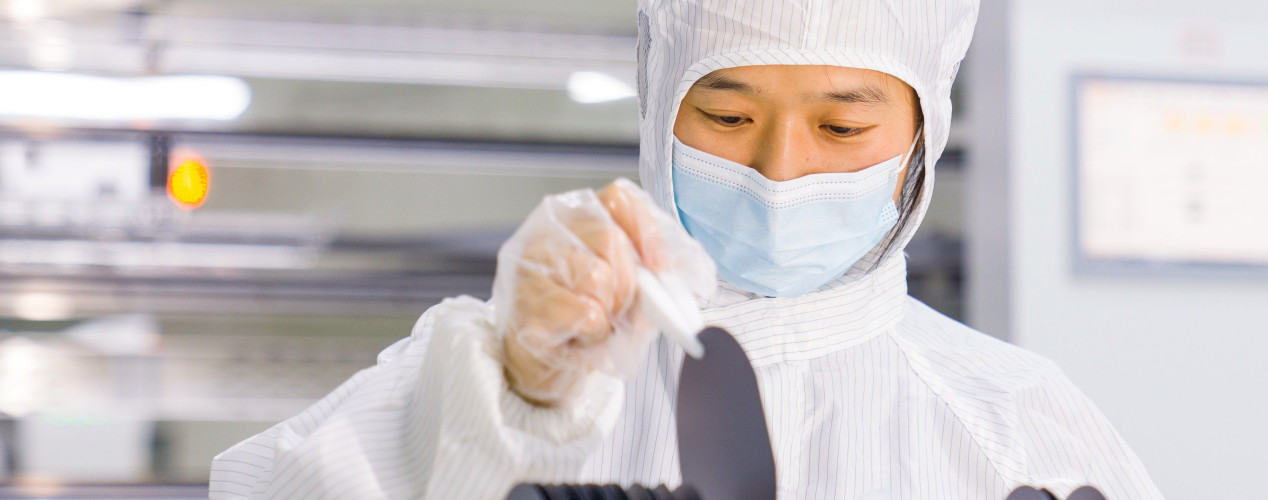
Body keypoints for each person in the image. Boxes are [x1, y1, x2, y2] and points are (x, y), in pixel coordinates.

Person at [209, 1, 1164, 498]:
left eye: (841, 128)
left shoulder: (1017, 424)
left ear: (926, 129)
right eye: (727, 113)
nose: (780, 170)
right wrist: (513, 396)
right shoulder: (508, 372)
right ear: (661, 101)